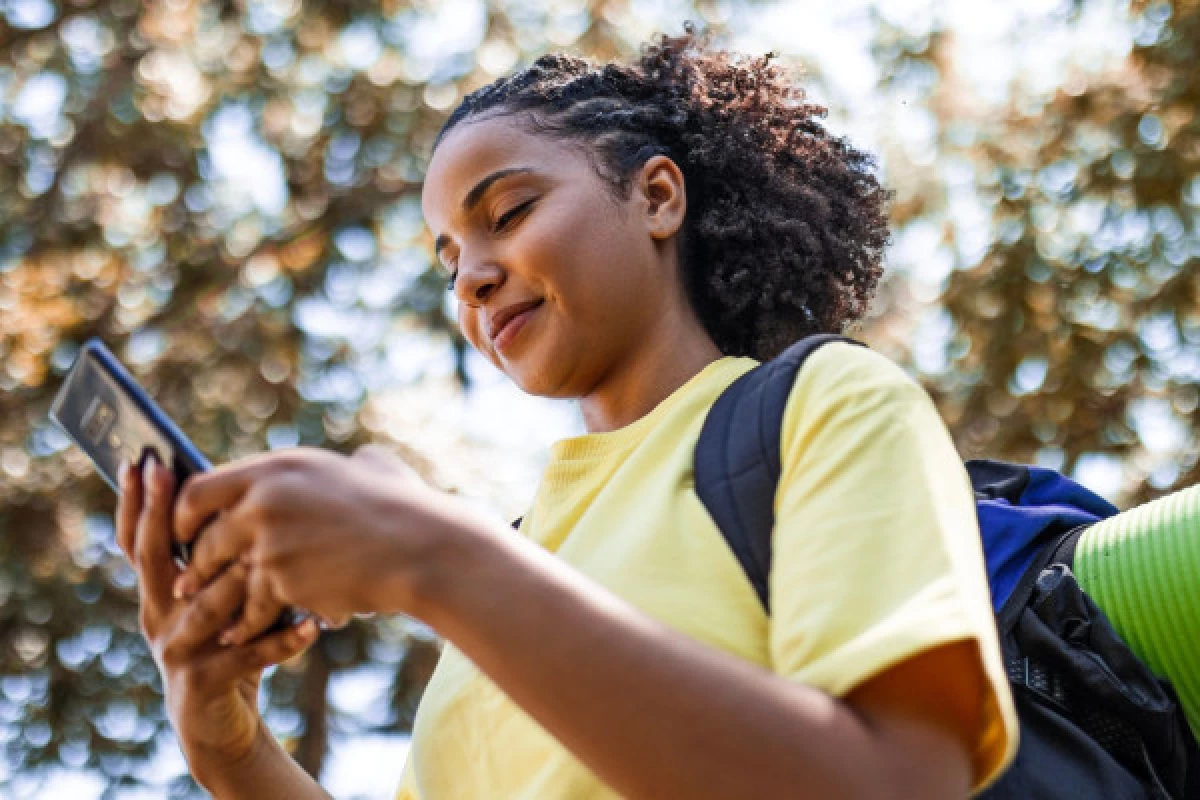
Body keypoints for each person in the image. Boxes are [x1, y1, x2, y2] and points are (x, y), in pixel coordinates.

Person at [115, 27, 1019, 799]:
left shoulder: (822, 406)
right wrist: (230, 751)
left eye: (507, 212)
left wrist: (434, 558)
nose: (470, 277)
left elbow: (902, 780)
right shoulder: (514, 554)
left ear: (657, 197)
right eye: (448, 262)